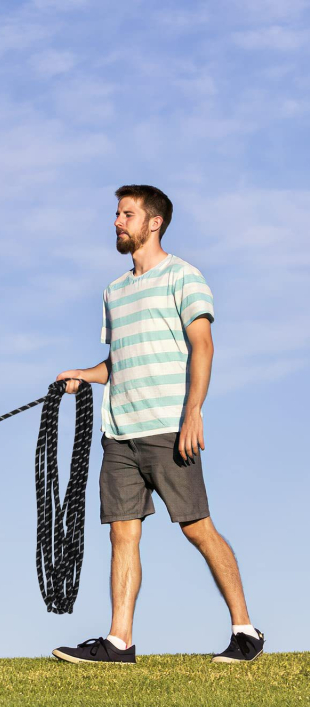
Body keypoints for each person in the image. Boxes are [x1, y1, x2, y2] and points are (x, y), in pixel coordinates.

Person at [52, 184, 263, 665]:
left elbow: (203, 345)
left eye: (126, 214)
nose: (117, 222)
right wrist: (83, 375)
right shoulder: (114, 291)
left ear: (154, 222)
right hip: (119, 434)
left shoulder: (183, 277)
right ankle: (119, 642)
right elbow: (119, 361)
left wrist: (193, 412)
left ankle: (245, 631)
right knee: (122, 534)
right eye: (117, 214)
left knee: (197, 528)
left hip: (169, 427)